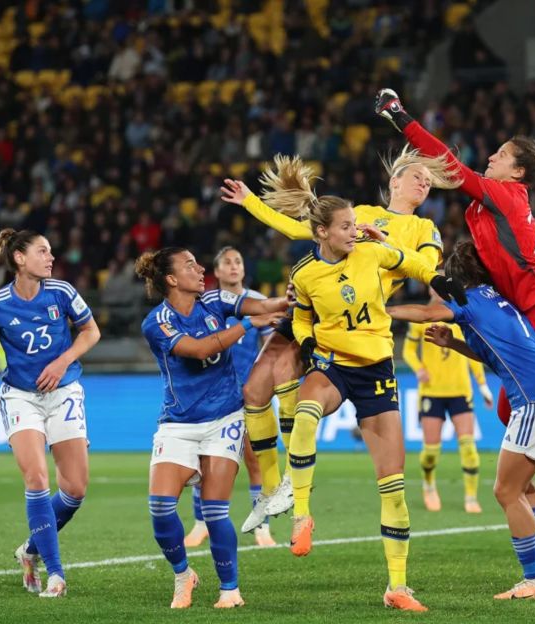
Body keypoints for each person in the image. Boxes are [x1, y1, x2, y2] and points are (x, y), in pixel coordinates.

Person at [218, 147, 457, 534]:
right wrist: (249, 203)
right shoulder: (359, 212)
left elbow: (426, 269)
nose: (425, 182)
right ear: (395, 182)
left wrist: (386, 245)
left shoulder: (424, 229)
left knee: (287, 381)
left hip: (353, 327)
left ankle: (294, 488)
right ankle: (273, 489)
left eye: (429, 181)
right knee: (254, 390)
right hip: (316, 304)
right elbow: (303, 230)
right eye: (417, 176)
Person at [277, 163, 464, 612]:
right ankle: (302, 512)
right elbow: (302, 314)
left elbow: (418, 264)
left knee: (393, 485)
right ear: (322, 232)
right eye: (346, 226)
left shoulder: (374, 252)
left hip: (377, 368)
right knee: (306, 409)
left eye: (355, 224)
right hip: (336, 365)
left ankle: (397, 586)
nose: (355, 230)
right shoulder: (304, 275)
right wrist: (306, 342)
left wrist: (438, 280)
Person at [375, 88, 535, 423]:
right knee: (508, 410)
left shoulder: (506, 195)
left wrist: (400, 117)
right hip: (526, 312)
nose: (492, 158)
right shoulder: (500, 199)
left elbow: (451, 168)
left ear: (518, 172)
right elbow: (451, 173)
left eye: (501, 155)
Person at [388, 241, 535, 600]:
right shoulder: (494, 296)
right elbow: (493, 353)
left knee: (505, 490)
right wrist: (454, 344)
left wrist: (379, 309)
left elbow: (426, 313)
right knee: (523, 485)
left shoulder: (469, 300)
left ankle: (534, 580)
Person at [136, 247, 288, 609]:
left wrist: (290, 300)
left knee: (215, 508)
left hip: (225, 416)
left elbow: (264, 307)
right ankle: (183, 574)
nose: (200, 268)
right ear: (172, 279)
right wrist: (248, 326)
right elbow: (200, 349)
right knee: (159, 507)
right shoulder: (156, 322)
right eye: (190, 265)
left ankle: (230, 590)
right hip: (178, 422)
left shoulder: (216, 299)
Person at [0, 228, 101, 599]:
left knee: (75, 490)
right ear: (20, 258)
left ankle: (30, 551)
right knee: (37, 478)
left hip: (64, 391)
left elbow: (90, 331)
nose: (51, 257)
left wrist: (63, 360)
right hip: (21, 397)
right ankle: (56, 574)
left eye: (51, 251)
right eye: (43, 251)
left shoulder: (62, 292)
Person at [184, 247, 277, 548]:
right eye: (227, 262)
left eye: (238, 261)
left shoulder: (258, 304)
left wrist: (263, 382)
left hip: (249, 392)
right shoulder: (206, 304)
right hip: (213, 394)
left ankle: (261, 526)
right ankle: (201, 524)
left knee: (254, 458)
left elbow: (270, 347)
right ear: (218, 271)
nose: (234, 266)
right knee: (204, 462)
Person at [401, 290, 494, 513]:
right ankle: (429, 485)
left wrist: (482, 386)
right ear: (429, 288)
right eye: (435, 285)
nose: (438, 290)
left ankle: (471, 496)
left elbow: (473, 353)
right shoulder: (419, 318)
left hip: (460, 391)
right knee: (431, 450)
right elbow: (408, 351)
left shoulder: (460, 315)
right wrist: (419, 368)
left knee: (469, 447)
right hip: (432, 391)